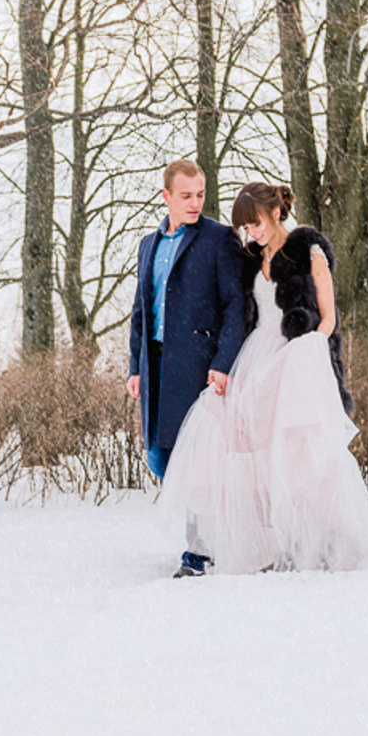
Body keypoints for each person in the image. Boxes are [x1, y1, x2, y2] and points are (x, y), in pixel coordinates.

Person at [159, 182, 368, 575]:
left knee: (296, 451)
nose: (251, 233)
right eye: (244, 227)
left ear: (275, 212)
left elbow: (329, 316)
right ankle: (258, 543)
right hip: (254, 356)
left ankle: (314, 540)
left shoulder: (308, 250)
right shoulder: (252, 259)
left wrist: (306, 350)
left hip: (294, 355)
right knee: (236, 436)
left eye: (255, 223)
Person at [128, 159, 247, 571]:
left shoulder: (218, 239)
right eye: (186, 196)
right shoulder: (149, 245)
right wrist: (135, 366)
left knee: (196, 460)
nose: (195, 203)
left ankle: (198, 552)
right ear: (166, 197)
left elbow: (237, 305)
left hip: (199, 367)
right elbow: (140, 310)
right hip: (155, 365)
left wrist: (224, 361)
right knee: (160, 458)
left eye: (200, 194)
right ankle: (210, 533)